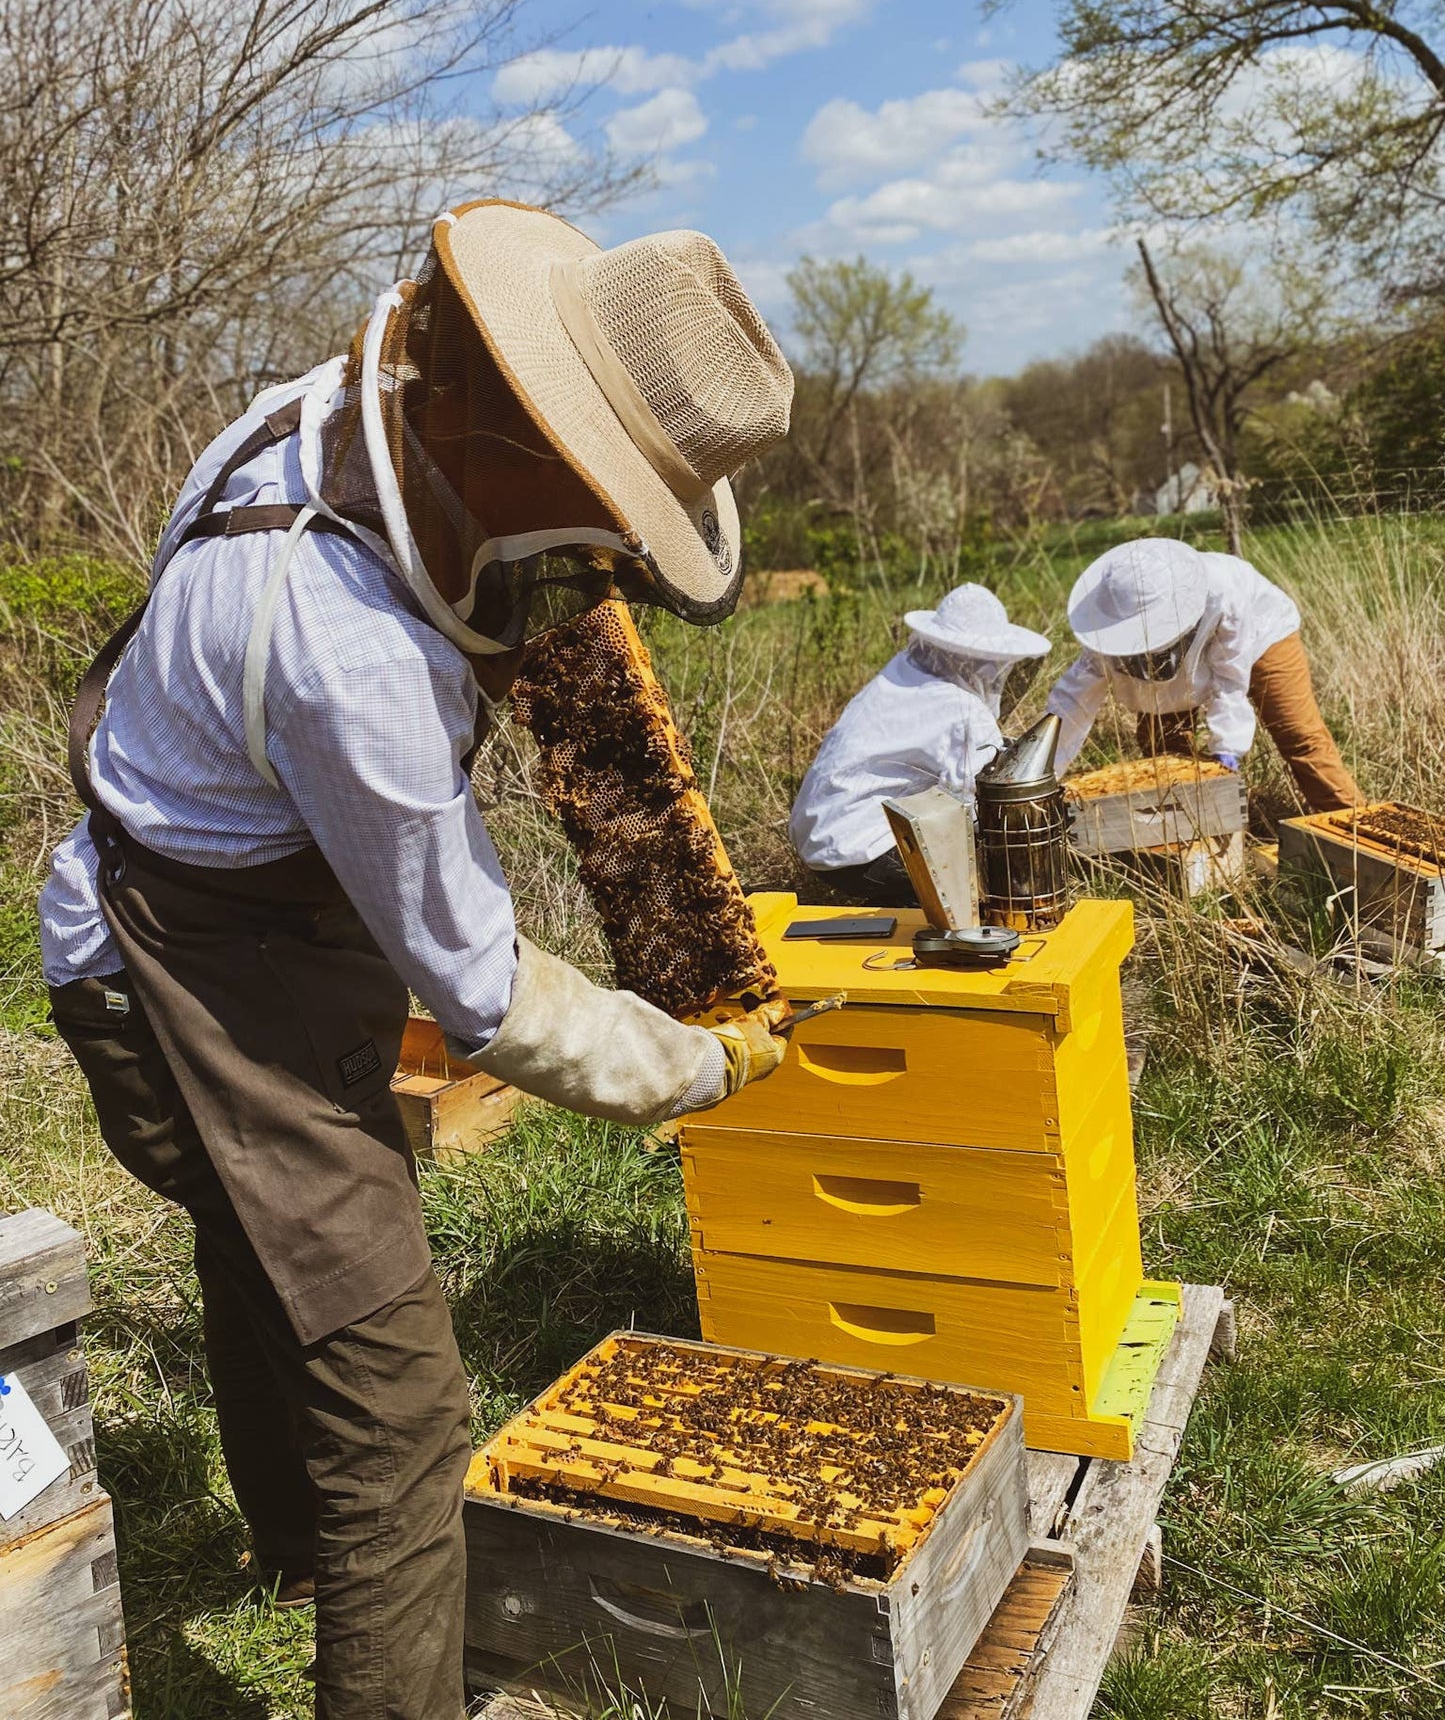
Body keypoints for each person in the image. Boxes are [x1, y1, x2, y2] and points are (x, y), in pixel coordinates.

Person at [39, 203, 796, 1720]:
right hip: (180, 979)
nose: (603, 554)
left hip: (178, 930)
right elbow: (479, 984)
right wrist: (694, 1060)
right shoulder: (348, 651)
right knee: (398, 1408)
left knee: (265, 1255)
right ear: (526, 426)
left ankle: (304, 1553)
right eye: (601, 500)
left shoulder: (304, 412)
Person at [1046, 537, 1362, 811]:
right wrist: (1043, 768)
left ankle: (1352, 830)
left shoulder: (1223, 592)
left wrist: (1228, 744)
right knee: (1163, 745)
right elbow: (1074, 698)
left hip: (1262, 632)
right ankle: (1196, 822)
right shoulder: (1110, 622)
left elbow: (1229, 675)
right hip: (1184, 662)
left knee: (1297, 734)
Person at [789, 584, 1051, 903]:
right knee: (977, 849)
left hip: (819, 839)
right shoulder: (963, 709)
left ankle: (894, 903)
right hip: (862, 851)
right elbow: (973, 802)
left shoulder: (901, 671)